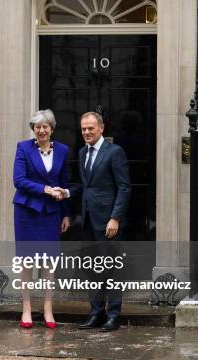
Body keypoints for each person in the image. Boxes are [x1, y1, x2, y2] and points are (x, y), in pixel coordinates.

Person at [53, 111, 131, 332]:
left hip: (108, 222)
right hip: (88, 221)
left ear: (101, 128)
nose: (86, 132)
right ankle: (96, 312)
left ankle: (113, 315)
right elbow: (83, 186)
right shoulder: (82, 153)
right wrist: (66, 193)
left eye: (91, 128)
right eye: (83, 129)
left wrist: (115, 218)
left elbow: (124, 187)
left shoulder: (115, 152)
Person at [13, 109, 71, 329]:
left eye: (45, 126)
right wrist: (45, 189)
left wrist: (66, 213)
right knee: (27, 262)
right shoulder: (23, 148)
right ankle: (26, 308)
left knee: (49, 263)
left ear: (52, 129)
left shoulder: (63, 150)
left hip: (51, 213)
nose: (41, 130)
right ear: (33, 129)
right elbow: (18, 180)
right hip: (27, 211)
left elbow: (64, 182)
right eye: (37, 127)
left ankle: (48, 308)